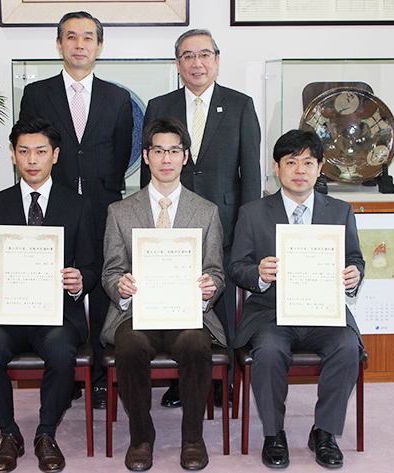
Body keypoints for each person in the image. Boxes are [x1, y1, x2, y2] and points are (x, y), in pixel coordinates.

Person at [230, 129, 365, 469]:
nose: (300, 169)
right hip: (271, 313)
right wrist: (258, 273)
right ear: (277, 168)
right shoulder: (253, 212)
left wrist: (354, 275)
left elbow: (355, 257)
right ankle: (274, 434)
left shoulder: (340, 211)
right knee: (270, 349)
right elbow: (236, 267)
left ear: (320, 168)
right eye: (291, 162)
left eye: (308, 162)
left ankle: (324, 432)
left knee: (348, 347)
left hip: (324, 313)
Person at [140, 29, 261, 407]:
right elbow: (153, 167)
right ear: (177, 64)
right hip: (170, 223)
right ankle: (182, 378)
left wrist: (246, 229)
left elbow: (251, 175)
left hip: (222, 222)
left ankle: (220, 380)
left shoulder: (240, 104)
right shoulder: (159, 104)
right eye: (188, 56)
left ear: (217, 60)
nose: (197, 63)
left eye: (204, 54)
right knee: (173, 298)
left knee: (218, 301)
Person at [20, 11, 134, 409]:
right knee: (56, 282)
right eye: (71, 37)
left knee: (101, 284)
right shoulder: (37, 93)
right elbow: (32, 147)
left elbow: (122, 155)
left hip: (103, 205)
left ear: (99, 46)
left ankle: (102, 377)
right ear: (59, 44)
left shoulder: (118, 97)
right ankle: (63, 372)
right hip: (54, 205)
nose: (80, 45)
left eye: (88, 38)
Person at [0, 115, 98, 473]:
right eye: (23, 151)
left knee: (61, 349)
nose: (32, 160)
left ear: (55, 156)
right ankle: (9, 434)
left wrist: (79, 281)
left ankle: (46, 433)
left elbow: (91, 266)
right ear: (12, 155)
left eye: (40, 151)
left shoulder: (77, 205)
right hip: (7, 312)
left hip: (58, 313)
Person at [100, 117, 226, 471]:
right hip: (136, 312)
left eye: (174, 150)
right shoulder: (120, 212)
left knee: (195, 345)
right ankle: (141, 438)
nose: (166, 158)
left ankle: (192, 438)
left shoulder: (206, 211)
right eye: (158, 150)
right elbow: (111, 269)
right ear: (146, 156)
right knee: (130, 346)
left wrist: (209, 288)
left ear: (185, 157)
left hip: (188, 312)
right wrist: (120, 287)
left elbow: (216, 270)